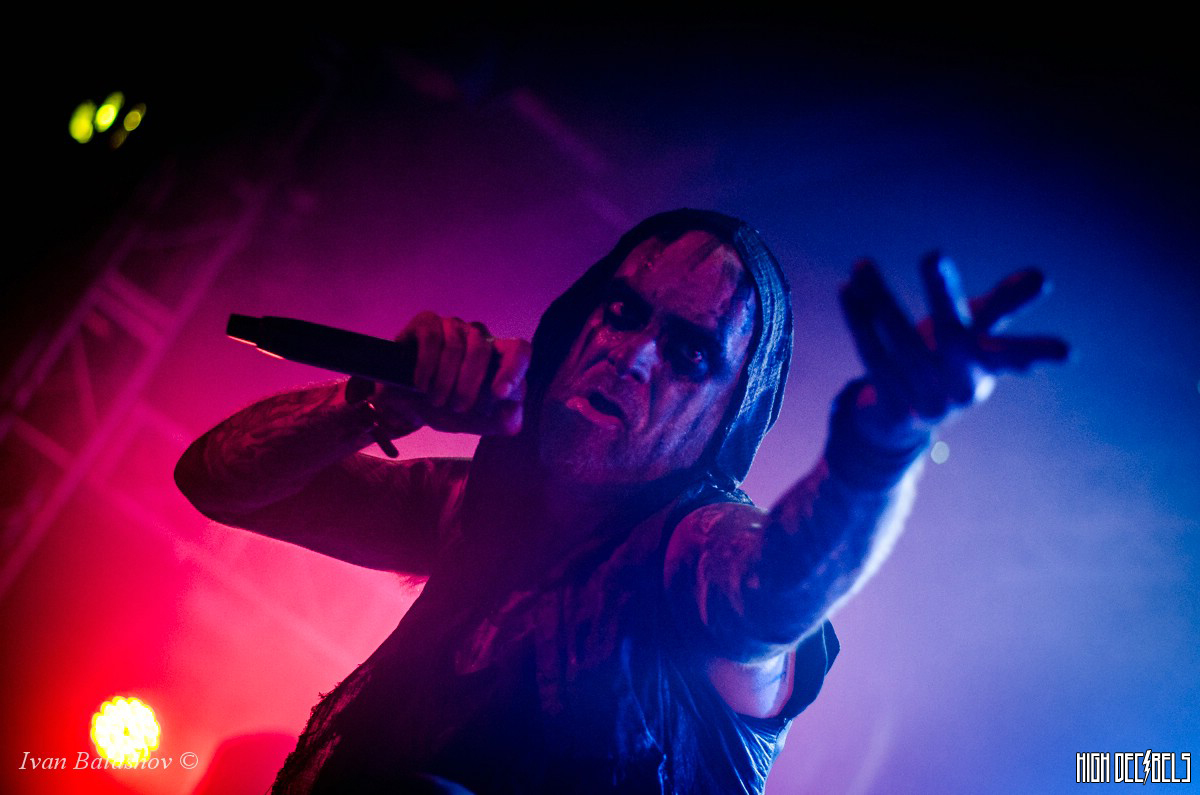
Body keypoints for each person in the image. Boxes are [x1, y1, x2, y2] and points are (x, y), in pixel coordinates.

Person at [175, 209, 1067, 794]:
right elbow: (216, 479)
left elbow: (778, 591)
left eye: (689, 353)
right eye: (621, 312)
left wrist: (883, 439)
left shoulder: (691, 552)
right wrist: (376, 401)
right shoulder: (480, 511)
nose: (632, 356)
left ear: (727, 417)